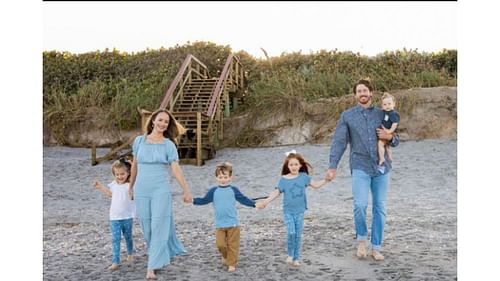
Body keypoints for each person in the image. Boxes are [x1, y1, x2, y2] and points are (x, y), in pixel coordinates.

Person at [325, 78, 399, 261]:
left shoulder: (382, 114)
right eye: (359, 91)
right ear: (355, 95)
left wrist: (388, 137)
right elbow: (339, 143)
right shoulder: (347, 116)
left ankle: (376, 247)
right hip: (360, 166)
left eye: (365, 90)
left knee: (380, 208)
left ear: (371, 93)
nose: (363, 93)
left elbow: (396, 140)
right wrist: (332, 166)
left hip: (381, 168)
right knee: (359, 205)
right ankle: (361, 240)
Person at [128, 108, 193, 280]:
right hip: (142, 189)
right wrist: (130, 187)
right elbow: (134, 166)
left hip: (161, 189)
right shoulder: (139, 141)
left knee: (159, 225)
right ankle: (160, 254)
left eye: (166, 122)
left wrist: (186, 190)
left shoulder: (169, 144)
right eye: (160, 120)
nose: (163, 124)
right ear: (153, 121)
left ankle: (152, 266)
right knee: (146, 226)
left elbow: (176, 169)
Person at [256, 150, 329, 267]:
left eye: (296, 164)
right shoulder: (283, 179)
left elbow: (315, 185)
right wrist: (265, 202)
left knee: (298, 235)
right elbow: (276, 192)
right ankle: (290, 254)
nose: (294, 167)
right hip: (288, 211)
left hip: (300, 211)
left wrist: (326, 180)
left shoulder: (304, 177)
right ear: (287, 166)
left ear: (300, 165)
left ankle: (296, 258)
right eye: (291, 165)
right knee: (291, 232)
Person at [191, 162, 256, 272]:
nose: (223, 179)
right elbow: (204, 200)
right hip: (219, 224)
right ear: (216, 177)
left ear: (230, 177)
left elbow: (244, 199)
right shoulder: (213, 191)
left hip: (233, 224)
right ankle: (226, 256)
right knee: (220, 245)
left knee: (232, 245)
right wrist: (193, 200)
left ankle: (232, 263)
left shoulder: (233, 190)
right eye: (220, 177)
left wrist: (254, 204)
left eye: (225, 177)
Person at [93, 158, 135, 271]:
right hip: (115, 217)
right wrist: (100, 187)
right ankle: (115, 261)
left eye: (122, 174)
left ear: (128, 173)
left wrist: (132, 165)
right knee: (115, 239)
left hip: (127, 216)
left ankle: (130, 253)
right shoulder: (113, 185)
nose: (120, 176)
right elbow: (110, 194)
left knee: (128, 237)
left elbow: (136, 178)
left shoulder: (130, 185)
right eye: (117, 174)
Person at [377, 92, 400, 167]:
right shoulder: (383, 112)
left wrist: (389, 131)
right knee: (387, 146)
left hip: (390, 132)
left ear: (394, 104)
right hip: (385, 131)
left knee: (380, 144)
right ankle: (390, 158)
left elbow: (395, 124)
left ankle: (382, 158)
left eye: (389, 104)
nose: (387, 106)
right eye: (385, 105)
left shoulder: (393, 114)